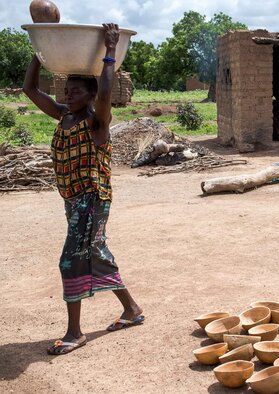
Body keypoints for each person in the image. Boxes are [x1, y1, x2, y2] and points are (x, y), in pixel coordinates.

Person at [23, 23, 144, 355]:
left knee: (71, 259)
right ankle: (132, 310)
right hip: (72, 200)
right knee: (95, 253)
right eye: (67, 91)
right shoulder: (64, 116)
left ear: (90, 96)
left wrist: (109, 49)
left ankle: (75, 332)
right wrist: (39, 50)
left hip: (91, 198)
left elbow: (106, 93)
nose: (68, 96)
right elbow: (30, 90)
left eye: (75, 92)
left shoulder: (96, 123)